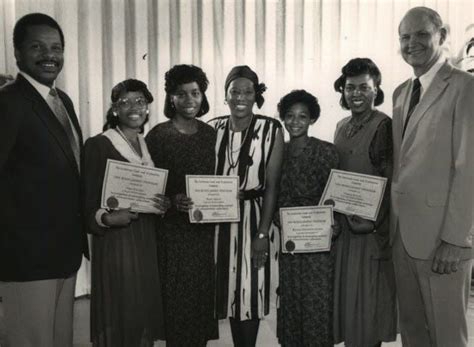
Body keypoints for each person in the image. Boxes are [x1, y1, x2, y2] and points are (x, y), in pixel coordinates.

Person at [0, 13, 89, 347]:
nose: (49, 55)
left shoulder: (60, 100)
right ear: (18, 53)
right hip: (26, 257)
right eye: (37, 47)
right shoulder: (7, 102)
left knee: (58, 340)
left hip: (63, 253)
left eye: (56, 47)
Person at [392, 7, 474, 347]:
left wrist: (456, 239)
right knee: (413, 335)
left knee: (446, 337)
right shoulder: (400, 93)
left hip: (443, 242)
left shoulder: (465, 87)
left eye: (422, 34)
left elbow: (469, 168)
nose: (413, 43)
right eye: (405, 37)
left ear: (442, 35)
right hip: (402, 237)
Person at [83, 79, 169, 347]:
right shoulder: (98, 144)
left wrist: (161, 203)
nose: (134, 107)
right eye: (126, 102)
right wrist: (107, 218)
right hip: (116, 241)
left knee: (142, 310)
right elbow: (86, 203)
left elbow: (151, 191)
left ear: (148, 108)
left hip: (145, 238)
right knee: (121, 308)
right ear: (115, 110)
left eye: (140, 101)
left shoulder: (147, 145)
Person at [208, 65, 284, 347]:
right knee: (228, 293)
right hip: (218, 222)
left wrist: (262, 234)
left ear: (256, 95)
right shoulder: (212, 128)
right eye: (234, 91)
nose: (241, 97)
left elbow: (273, 186)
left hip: (254, 219)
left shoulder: (271, 128)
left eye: (247, 91)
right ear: (225, 95)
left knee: (250, 292)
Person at [145, 65, 219, 346]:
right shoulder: (158, 135)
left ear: (203, 96)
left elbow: (219, 180)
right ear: (170, 98)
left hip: (202, 232)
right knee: (176, 304)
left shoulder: (212, 135)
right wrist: (173, 200)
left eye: (195, 93)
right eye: (181, 94)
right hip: (172, 234)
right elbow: (149, 186)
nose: (190, 100)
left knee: (199, 303)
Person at [332, 58, 397, 347]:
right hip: (344, 232)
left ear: (376, 90)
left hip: (369, 234)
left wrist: (373, 224)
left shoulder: (384, 126)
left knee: (367, 311)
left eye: (364, 87)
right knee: (349, 311)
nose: (356, 94)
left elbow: (393, 182)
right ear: (342, 91)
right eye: (350, 88)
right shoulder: (340, 125)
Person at [274, 90, 339, 347]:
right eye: (289, 116)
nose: (295, 121)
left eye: (303, 116)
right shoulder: (277, 152)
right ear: (282, 118)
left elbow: (336, 197)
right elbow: (273, 194)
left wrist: (334, 225)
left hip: (319, 246)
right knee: (291, 302)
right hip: (290, 243)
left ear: (312, 119)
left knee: (316, 305)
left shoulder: (327, 152)